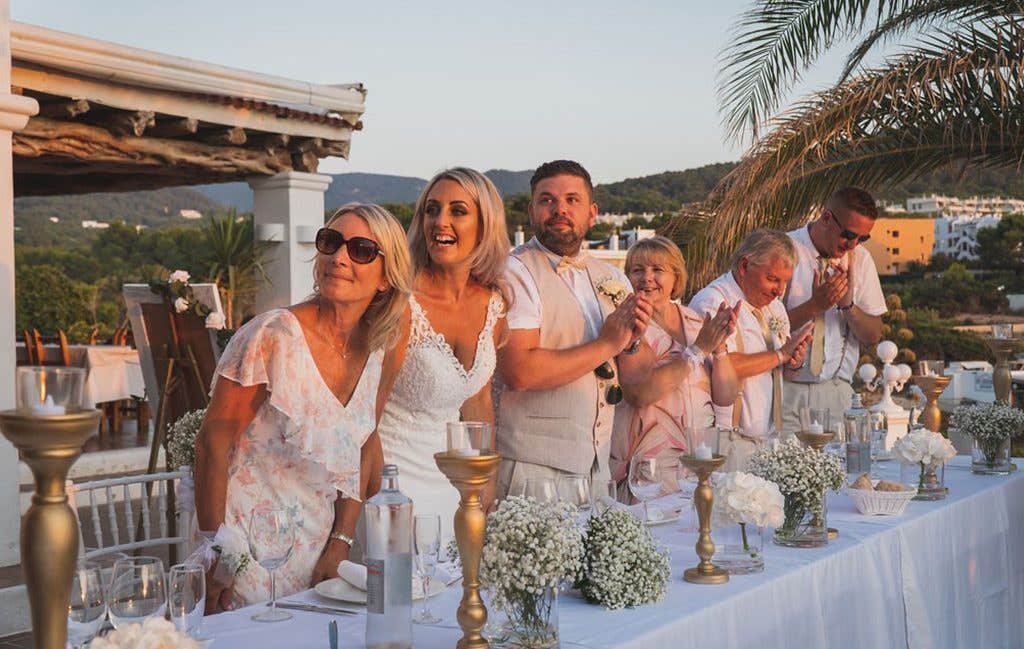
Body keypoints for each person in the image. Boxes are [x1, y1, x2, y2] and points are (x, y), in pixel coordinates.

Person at [194, 203, 412, 611]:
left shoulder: (382, 348)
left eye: (361, 249)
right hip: (248, 550)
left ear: (386, 279)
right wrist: (216, 552)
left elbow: (362, 446)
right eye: (331, 242)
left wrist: (341, 543)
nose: (339, 257)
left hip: (320, 554)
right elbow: (211, 444)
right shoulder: (271, 336)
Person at [496, 159, 654, 498]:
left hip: (597, 469)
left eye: (571, 200)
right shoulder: (514, 272)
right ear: (531, 211)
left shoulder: (611, 276)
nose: (559, 210)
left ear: (592, 213)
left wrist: (633, 343)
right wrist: (608, 343)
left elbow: (638, 377)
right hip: (533, 470)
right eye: (547, 200)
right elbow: (519, 371)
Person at [377, 168, 509, 538]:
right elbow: (366, 414)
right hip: (394, 480)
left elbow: (478, 400)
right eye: (431, 210)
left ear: (486, 225)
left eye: (458, 211)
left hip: (456, 487)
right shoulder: (401, 301)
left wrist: (485, 482)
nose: (440, 222)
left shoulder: (494, 304)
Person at [611, 236, 739, 494]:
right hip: (647, 467)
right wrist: (699, 349)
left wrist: (720, 347)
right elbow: (640, 393)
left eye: (657, 270)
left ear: (676, 278)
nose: (646, 277)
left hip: (696, 462)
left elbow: (725, 397)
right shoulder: (627, 323)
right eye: (637, 270)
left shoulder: (695, 320)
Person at [689, 229, 813, 471]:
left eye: (785, 282)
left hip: (768, 442)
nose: (780, 291)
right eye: (773, 279)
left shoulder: (774, 308)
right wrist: (780, 355)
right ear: (745, 266)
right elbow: (722, 367)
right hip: (728, 445)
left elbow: (778, 371)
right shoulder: (714, 302)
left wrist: (794, 363)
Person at [782, 187, 886, 433]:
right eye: (849, 234)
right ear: (827, 218)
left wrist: (848, 305)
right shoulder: (785, 250)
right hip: (786, 391)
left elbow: (873, 336)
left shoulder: (861, 260)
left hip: (838, 392)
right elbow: (762, 329)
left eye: (862, 238)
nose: (853, 245)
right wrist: (814, 306)